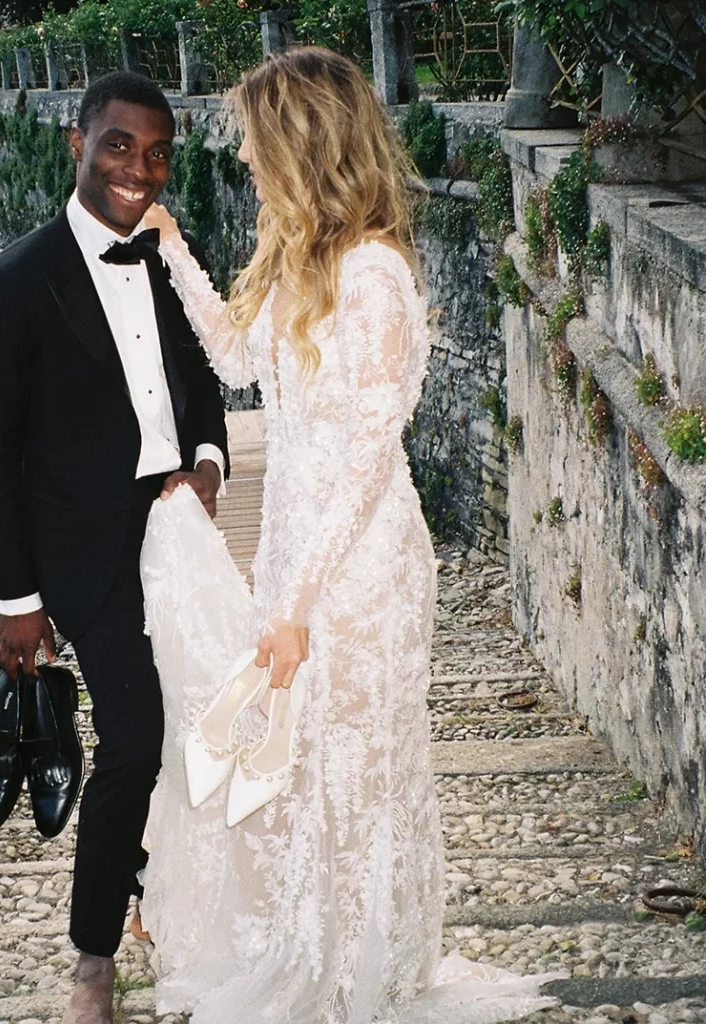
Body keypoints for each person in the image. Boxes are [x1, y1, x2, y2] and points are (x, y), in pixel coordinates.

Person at [138, 47, 565, 1023]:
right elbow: (234, 359)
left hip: (360, 565)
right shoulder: (301, 264)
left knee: (358, 771)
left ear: (302, 145)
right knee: (302, 770)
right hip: (294, 546)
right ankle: (323, 960)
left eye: (255, 142)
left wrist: (297, 604)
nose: (244, 159)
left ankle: (366, 976)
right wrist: (170, 244)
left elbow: (369, 459)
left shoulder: (373, 274)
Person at [0, 71, 229, 1024]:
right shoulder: (12, 282)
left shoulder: (164, 259)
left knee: (207, 717)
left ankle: (161, 889)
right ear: (78, 143)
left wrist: (207, 466)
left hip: (179, 533)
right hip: (87, 555)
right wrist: (14, 600)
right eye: (119, 145)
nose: (138, 170)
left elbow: (203, 382)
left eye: (157, 154)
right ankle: (93, 957)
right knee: (136, 736)